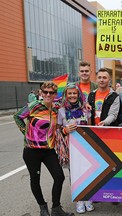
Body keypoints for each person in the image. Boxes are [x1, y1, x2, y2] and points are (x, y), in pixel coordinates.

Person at [13, 81, 73, 216]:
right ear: (40, 92)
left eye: (51, 92)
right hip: (31, 150)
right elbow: (17, 116)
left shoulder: (56, 108)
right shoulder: (33, 106)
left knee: (59, 177)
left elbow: (70, 106)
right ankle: (43, 207)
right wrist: (26, 132)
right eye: (45, 92)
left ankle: (56, 208)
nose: (47, 94)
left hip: (48, 150)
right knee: (35, 179)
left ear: (54, 94)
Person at [56, 83, 94, 214]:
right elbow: (58, 129)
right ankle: (79, 199)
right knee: (75, 173)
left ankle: (88, 197)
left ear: (79, 95)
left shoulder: (86, 110)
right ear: (66, 95)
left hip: (85, 147)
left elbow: (90, 128)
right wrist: (65, 130)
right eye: (69, 93)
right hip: (70, 147)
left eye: (74, 93)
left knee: (88, 171)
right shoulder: (61, 111)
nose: (72, 96)